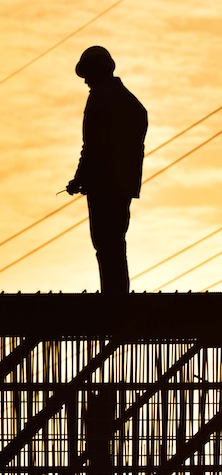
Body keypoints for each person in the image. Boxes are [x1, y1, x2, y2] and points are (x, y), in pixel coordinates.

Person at [64, 46, 147, 295]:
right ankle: (117, 295)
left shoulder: (100, 98)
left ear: (98, 71)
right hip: (123, 185)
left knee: (105, 242)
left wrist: (80, 178)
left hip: (105, 185)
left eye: (88, 74)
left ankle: (112, 299)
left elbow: (93, 146)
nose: (86, 81)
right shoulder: (131, 103)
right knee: (115, 242)